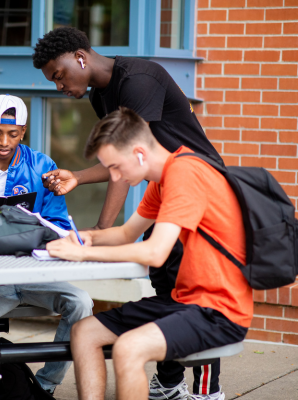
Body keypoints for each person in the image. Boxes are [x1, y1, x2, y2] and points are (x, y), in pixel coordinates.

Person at [32, 27, 224, 399]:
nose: (58, 86)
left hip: (200, 192)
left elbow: (129, 156)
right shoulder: (101, 95)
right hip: (162, 187)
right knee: (167, 288)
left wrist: (103, 228)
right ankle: (169, 383)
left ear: (81, 58)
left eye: (59, 75)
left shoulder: (138, 80)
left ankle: (206, 392)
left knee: (193, 295)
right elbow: (121, 163)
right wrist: (79, 179)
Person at [47, 108, 251, 400]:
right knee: (84, 332)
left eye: (116, 166)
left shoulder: (185, 173)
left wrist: (80, 255)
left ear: (140, 153)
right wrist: (84, 237)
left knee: (129, 347)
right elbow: (126, 234)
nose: (114, 176)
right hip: (183, 302)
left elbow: (155, 253)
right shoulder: (161, 180)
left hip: (218, 310)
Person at [0, 94, 93, 396]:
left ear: (23, 132)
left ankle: (44, 386)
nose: (4, 141)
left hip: (32, 269)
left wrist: (35, 229)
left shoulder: (42, 165)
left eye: (13, 134)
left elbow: (60, 224)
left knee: (81, 303)